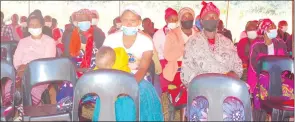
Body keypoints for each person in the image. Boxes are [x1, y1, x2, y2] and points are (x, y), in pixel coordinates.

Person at [181, 2, 243, 121]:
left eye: (214, 17)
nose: (211, 19)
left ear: (218, 21)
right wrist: (208, 81)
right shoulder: (192, 42)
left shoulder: (227, 42)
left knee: (235, 109)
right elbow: (186, 74)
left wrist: (232, 75)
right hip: (202, 91)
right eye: (208, 17)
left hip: (227, 88)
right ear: (202, 21)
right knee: (202, 110)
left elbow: (238, 66)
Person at [102, 4, 163, 121]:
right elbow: (104, 65)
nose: (129, 24)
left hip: (138, 79)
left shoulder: (146, 41)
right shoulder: (111, 39)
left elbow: (143, 69)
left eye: (133, 21)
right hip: (113, 78)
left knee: (137, 101)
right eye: (125, 20)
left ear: (139, 22)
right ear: (121, 20)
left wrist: (128, 86)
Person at [250, 19, 293, 120]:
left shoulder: (281, 43)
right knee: (265, 88)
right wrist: (271, 77)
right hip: (262, 79)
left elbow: (286, 62)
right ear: (264, 31)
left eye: (274, 26)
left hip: (280, 78)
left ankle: (283, 116)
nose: (274, 29)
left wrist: (281, 75)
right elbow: (255, 66)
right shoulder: (257, 45)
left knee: (291, 86)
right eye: (271, 27)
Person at [13, 11, 56, 106]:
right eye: (31, 25)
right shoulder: (23, 42)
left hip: (41, 75)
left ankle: (31, 113)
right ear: (28, 27)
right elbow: (16, 60)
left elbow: (47, 63)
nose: (34, 27)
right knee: (8, 86)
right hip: (22, 74)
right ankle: (15, 113)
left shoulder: (49, 41)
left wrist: (28, 67)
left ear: (42, 25)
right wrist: (20, 70)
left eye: (37, 25)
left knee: (33, 90)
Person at [163, 7, 197, 121]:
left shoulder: (198, 34)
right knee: (184, 92)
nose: (187, 19)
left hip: (195, 68)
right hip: (177, 69)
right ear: (180, 19)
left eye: (189, 17)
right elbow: (168, 55)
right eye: (184, 17)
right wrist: (184, 48)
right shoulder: (172, 34)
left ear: (193, 18)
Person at [67, 9, 103, 77]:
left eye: (86, 20)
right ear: (77, 23)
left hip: (95, 70)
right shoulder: (71, 36)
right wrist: (79, 70)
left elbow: (101, 53)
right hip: (76, 70)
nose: (84, 22)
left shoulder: (97, 33)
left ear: (90, 22)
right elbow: (68, 57)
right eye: (81, 20)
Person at [153, 7, 178, 93]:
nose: (174, 22)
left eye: (176, 20)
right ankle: (165, 104)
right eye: (171, 20)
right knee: (166, 88)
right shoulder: (158, 34)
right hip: (163, 63)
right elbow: (155, 51)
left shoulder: (178, 32)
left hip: (176, 62)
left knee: (176, 87)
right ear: (166, 20)